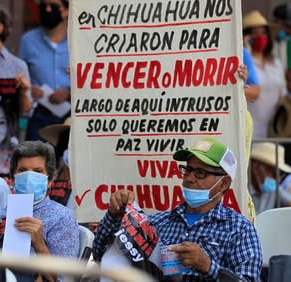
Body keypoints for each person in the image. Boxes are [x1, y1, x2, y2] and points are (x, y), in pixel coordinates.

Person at [92, 137, 263, 281]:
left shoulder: (240, 229)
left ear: (223, 183)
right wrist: (114, 216)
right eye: (187, 169)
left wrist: (207, 266)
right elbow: (101, 256)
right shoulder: (158, 222)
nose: (189, 178)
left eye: (200, 172)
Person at [9, 140, 80, 281]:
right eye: (22, 171)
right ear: (12, 178)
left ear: (50, 180)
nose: (29, 178)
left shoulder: (62, 218)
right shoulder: (3, 213)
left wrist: (39, 244)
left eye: (37, 171)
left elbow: (63, 277)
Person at [19, 0, 71, 141]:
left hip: (72, 115)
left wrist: (69, 93)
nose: (48, 10)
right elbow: (20, 76)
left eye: (53, 7)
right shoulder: (28, 40)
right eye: (43, 6)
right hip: (39, 115)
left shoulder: (76, 40)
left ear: (66, 11)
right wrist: (29, 88)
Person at [243, 10, 287, 140]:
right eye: (255, 33)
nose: (260, 37)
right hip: (249, 131)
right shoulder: (242, 62)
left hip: (274, 132)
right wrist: (246, 51)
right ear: (246, 36)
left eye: (263, 33)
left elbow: (282, 95)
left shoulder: (276, 63)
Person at [249, 142, 291, 215]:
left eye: (281, 174)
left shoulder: (275, 190)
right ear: (256, 167)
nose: (279, 179)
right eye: (275, 174)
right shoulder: (242, 189)